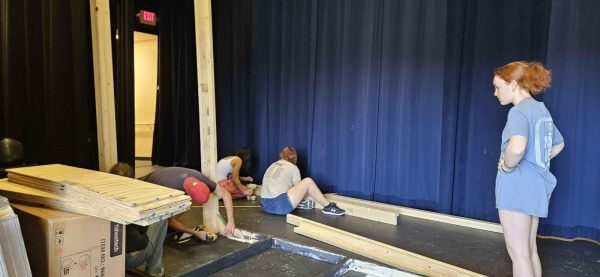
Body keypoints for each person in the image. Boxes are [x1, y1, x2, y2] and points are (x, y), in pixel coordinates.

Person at [492, 61, 565, 277]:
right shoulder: (541, 110)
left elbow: (517, 147)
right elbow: (559, 144)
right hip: (535, 186)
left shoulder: (518, 112)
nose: (495, 93)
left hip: (517, 187)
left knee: (518, 253)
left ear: (513, 84)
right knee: (530, 250)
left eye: (497, 87)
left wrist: (506, 165)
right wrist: (537, 159)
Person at [139, 167, 237, 238]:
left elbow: (226, 194)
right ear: (189, 196)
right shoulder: (173, 192)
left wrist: (231, 222)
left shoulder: (202, 179)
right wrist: (195, 233)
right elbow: (170, 220)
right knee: (159, 222)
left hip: (166, 178)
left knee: (180, 211)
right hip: (144, 186)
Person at [109, 162, 167, 277]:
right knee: (162, 218)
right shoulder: (135, 199)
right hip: (128, 260)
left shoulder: (100, 197)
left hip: (106, 260)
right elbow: (139, 241)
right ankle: (155, 271)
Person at [260, 146, 345, 216]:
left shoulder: (272, 165)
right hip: (279, 207)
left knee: (287, 190)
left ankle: (299, 204)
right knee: (308, 181)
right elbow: (300, 191)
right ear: (294, 158)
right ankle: (328, 206)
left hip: (265, 205)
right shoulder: (293, 167)